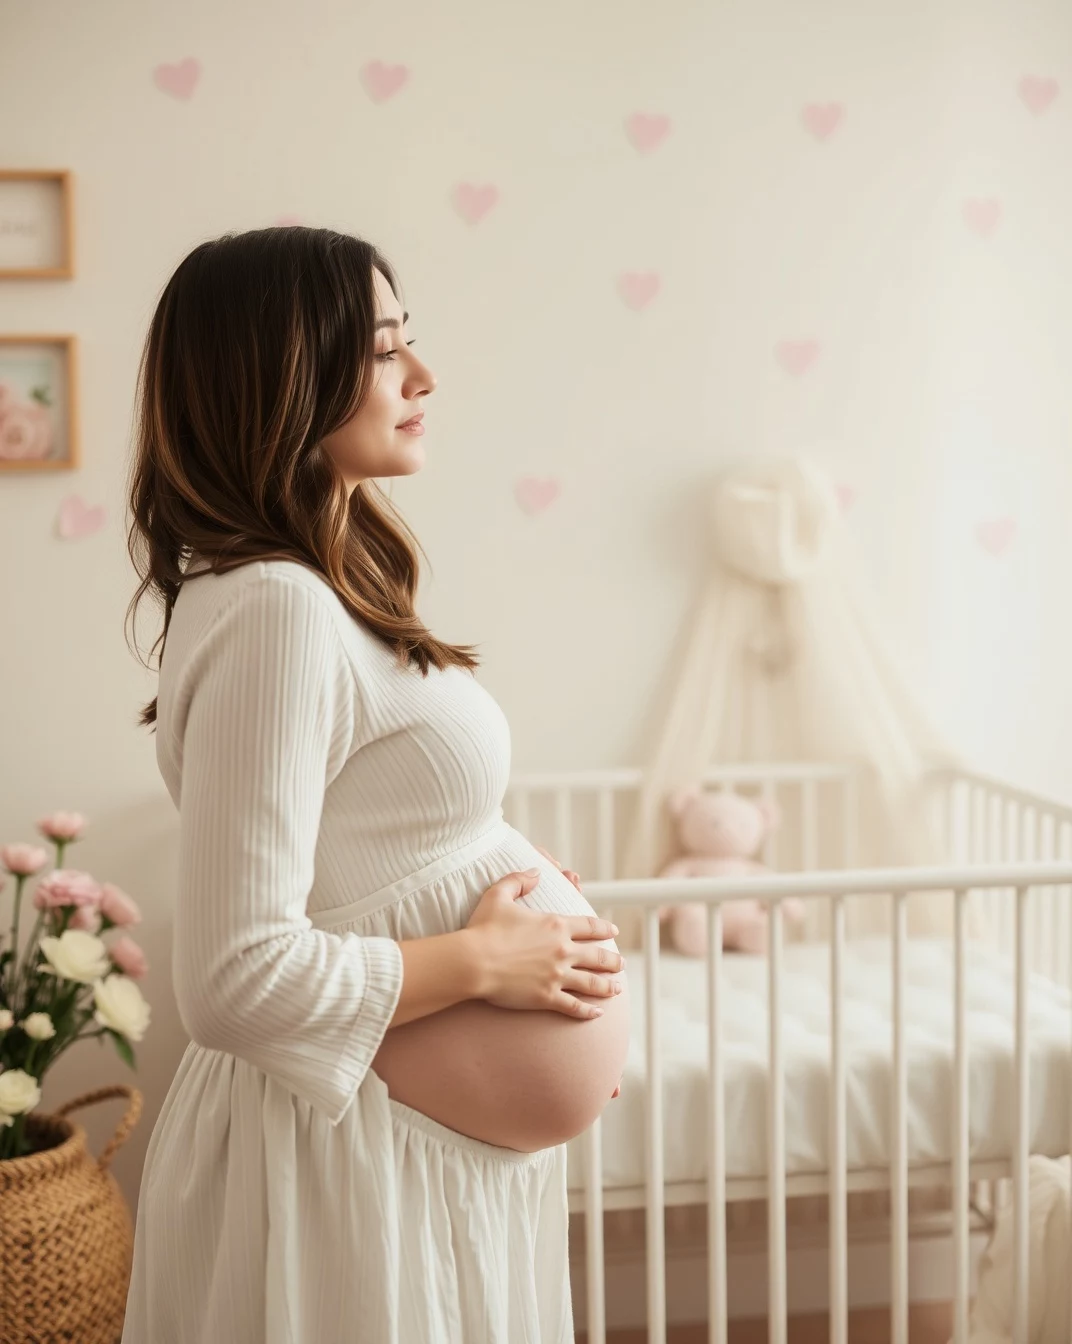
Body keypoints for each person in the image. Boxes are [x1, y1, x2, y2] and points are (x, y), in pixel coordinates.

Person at [119, 226, 631, 1343]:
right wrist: (484, 954)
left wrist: (494, 874)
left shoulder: (313, 583)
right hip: (344, 1163)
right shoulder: (276, 608)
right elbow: (231, 978)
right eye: (386, 348)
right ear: (284, 375)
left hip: (398, 1150)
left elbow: (358, 843)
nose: (423, 376)